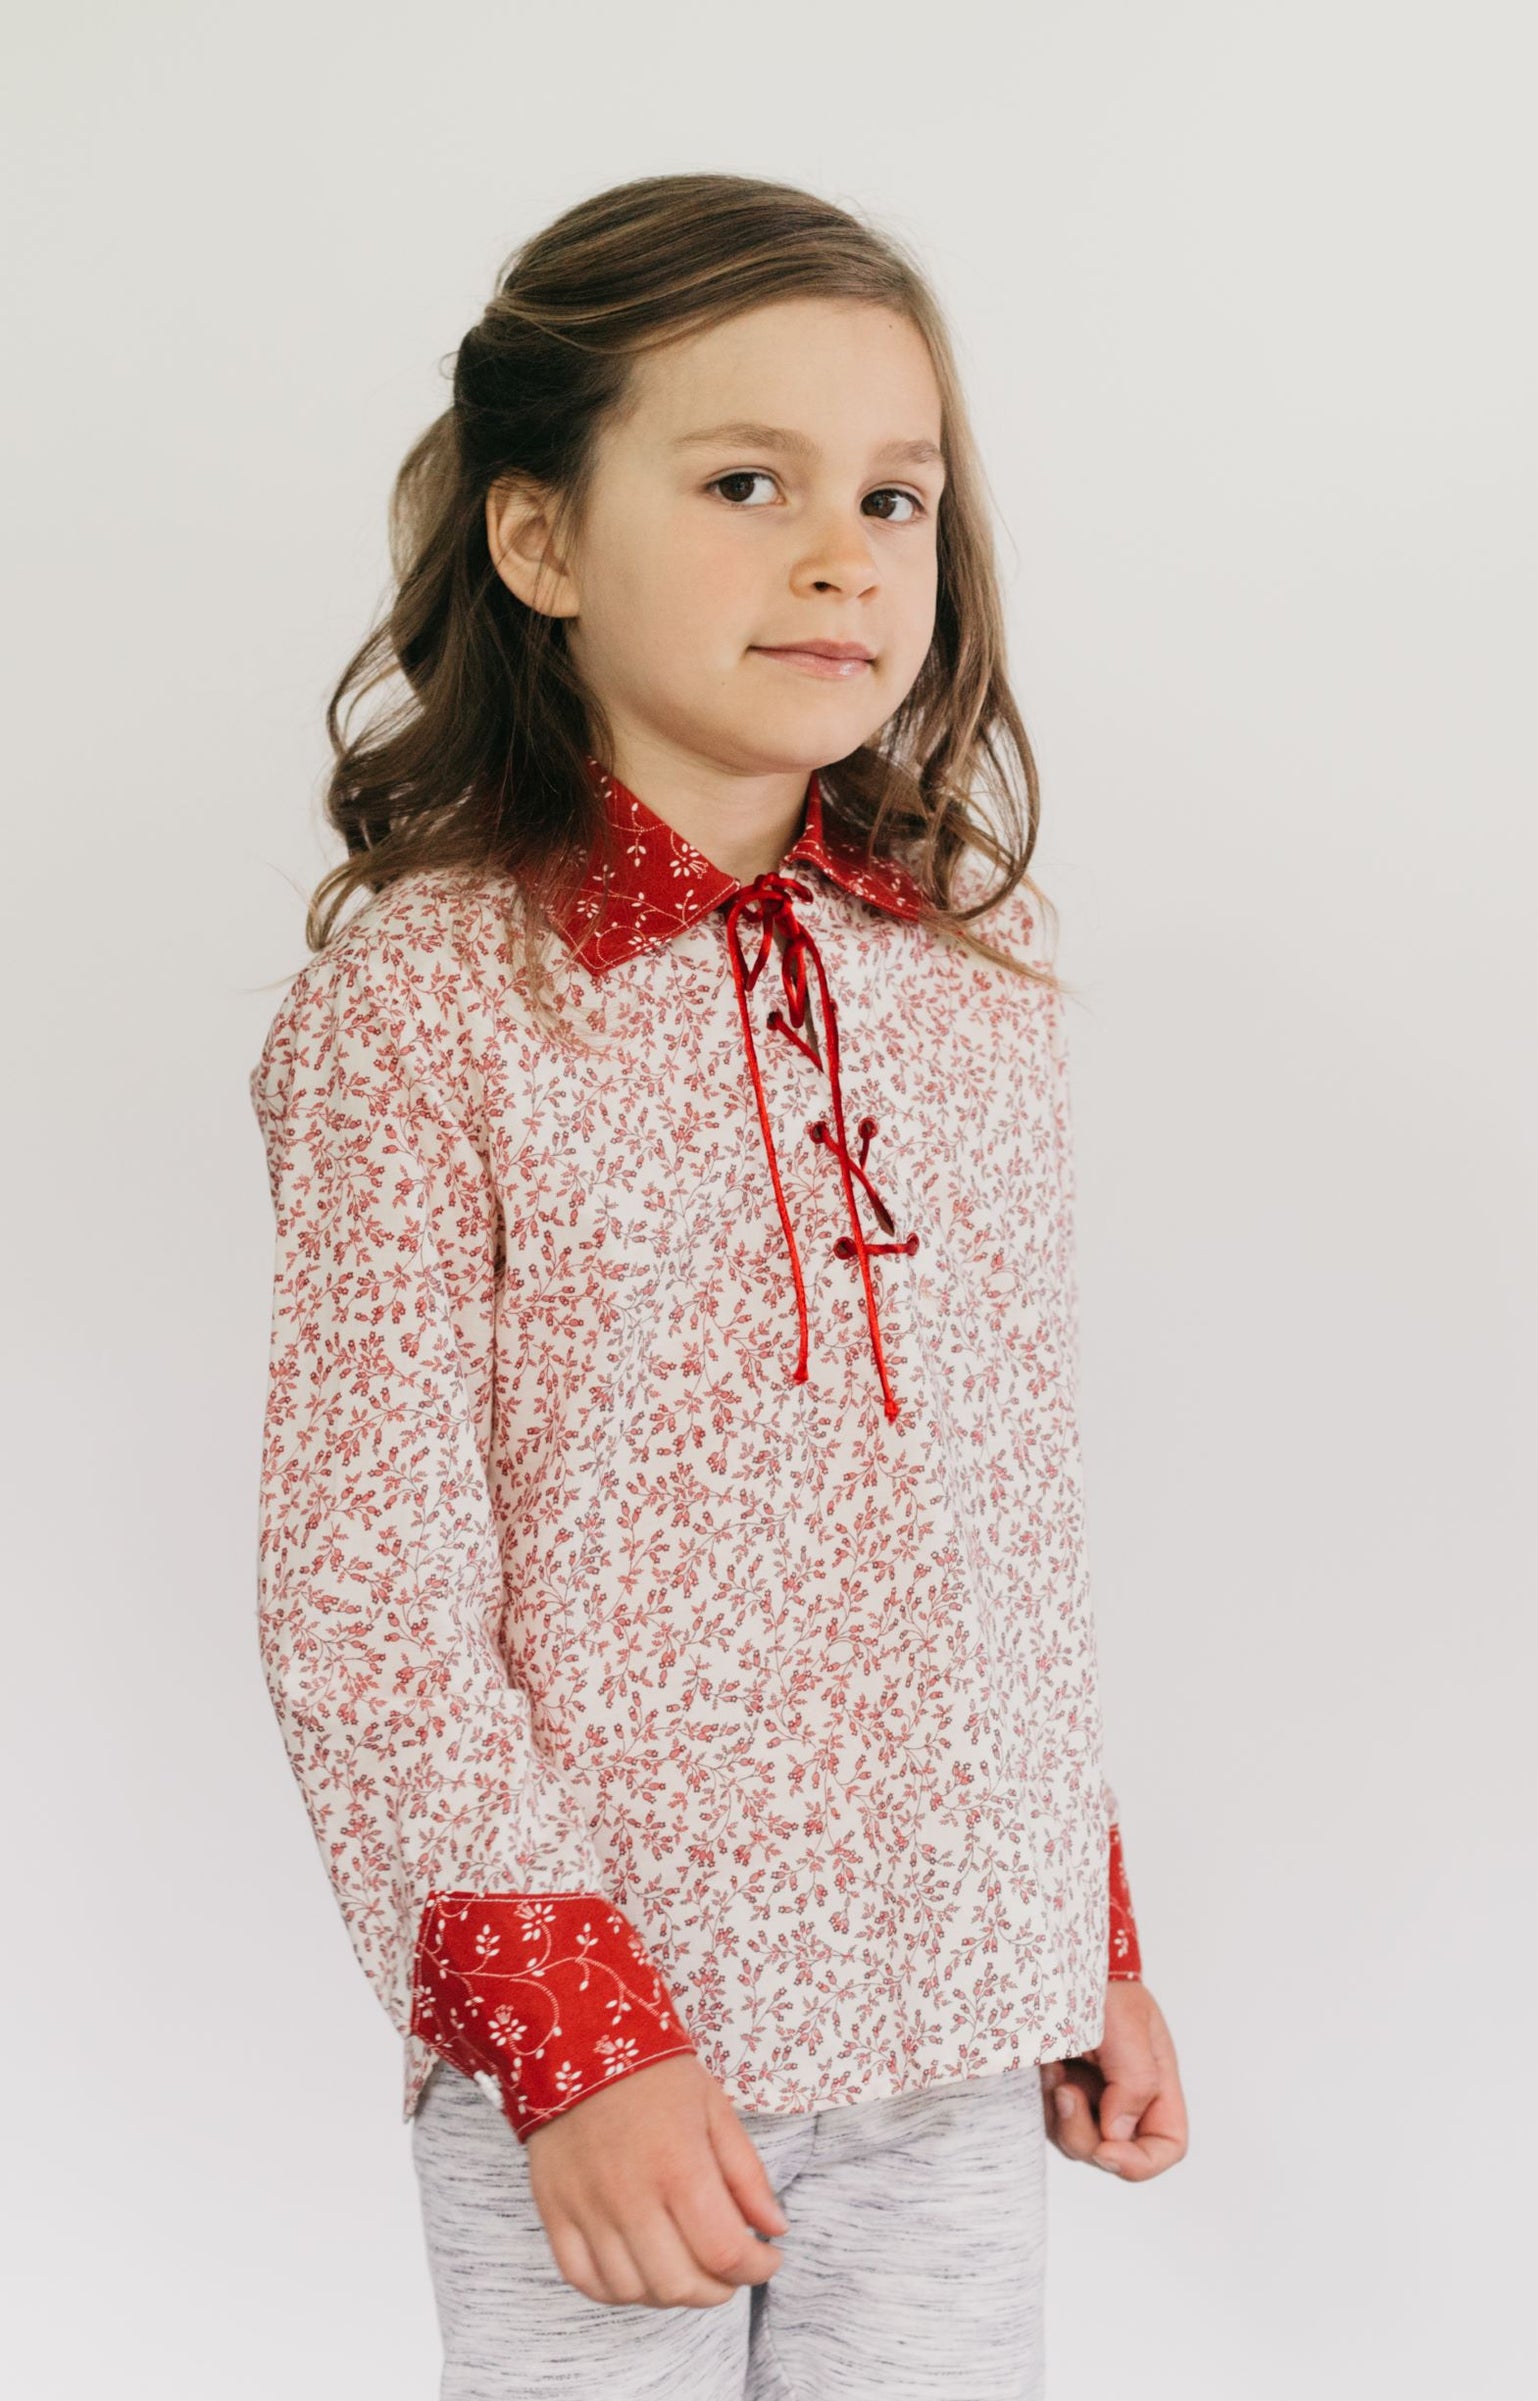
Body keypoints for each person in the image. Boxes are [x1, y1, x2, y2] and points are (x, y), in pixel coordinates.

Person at [249, 170, 1188, 2400]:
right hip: (611, 2029)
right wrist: (569, 2041)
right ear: (539, 540)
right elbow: (362, 1589)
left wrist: (1084, 1925)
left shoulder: (976, 991)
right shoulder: (429, 1004)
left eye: (890, 494)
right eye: (747, 481)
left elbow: (994, 1511)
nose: (841, 552)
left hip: (950, 2009)